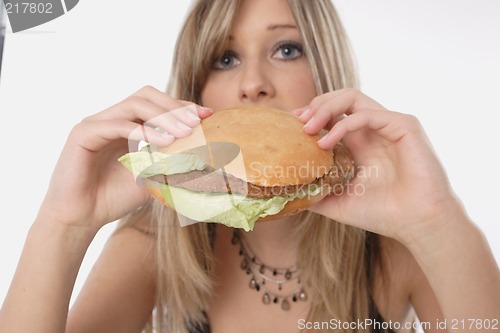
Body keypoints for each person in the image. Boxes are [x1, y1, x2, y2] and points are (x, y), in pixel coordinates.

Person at [0, 0, 498, 332]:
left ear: (326, 72)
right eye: (224, 58)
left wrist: (437, 223)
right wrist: (63, 224)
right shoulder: (156, 244)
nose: (253, 83)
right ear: (196, 97)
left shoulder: (396, 251)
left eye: (286, 49)